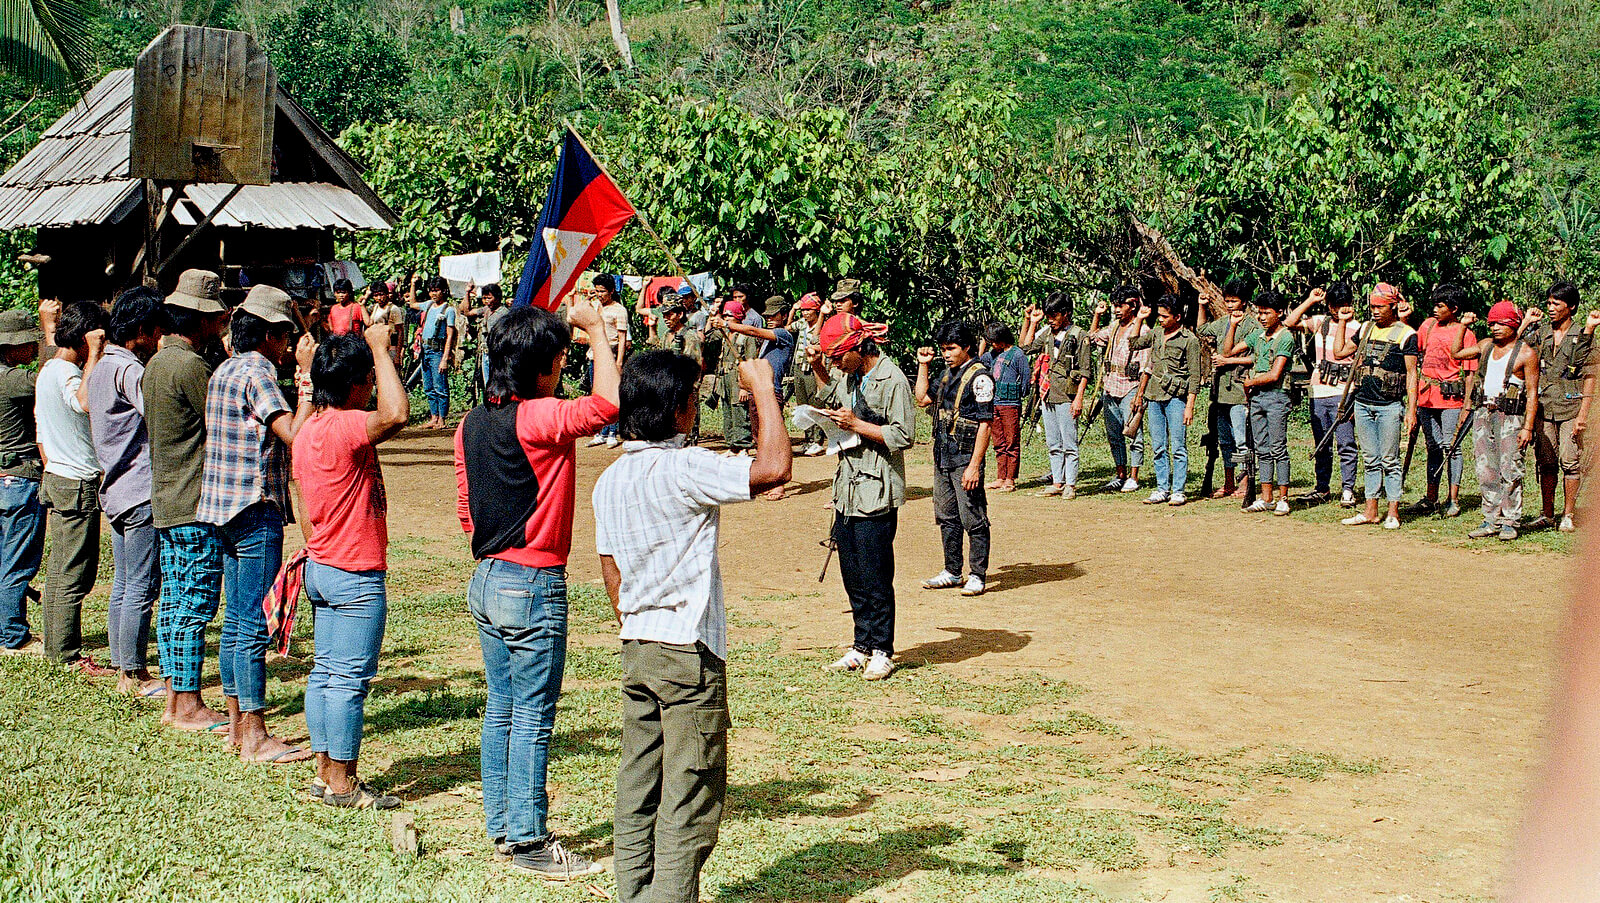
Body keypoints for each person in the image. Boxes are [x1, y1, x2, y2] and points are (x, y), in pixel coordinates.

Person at [594, 351, 791, 903]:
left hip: (639, 644)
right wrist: (764, 387)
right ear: (679, 411)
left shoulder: (609, 479)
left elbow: (611, 571)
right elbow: (773, 467)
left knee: (639, 785)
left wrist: (637, 624)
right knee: (689, 798)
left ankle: (634, 894)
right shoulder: (684, 467)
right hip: (686, 649)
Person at [454, 297, 619, 878]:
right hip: (532, 580)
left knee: (502, 706)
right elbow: (607, 405)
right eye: (559, 361)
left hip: (489, 576)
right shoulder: (541, 417)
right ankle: (528, 841)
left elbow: (465, 507)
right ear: (544, 368)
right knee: (532, 715)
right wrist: (598, 332)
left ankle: (502, 826)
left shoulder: (470, 422)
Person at [293, 324, 409, 808]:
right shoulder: (344, 425)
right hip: (354, 572)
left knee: (325, 673)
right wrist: (382, 349)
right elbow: (398, 413)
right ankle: (342, 783)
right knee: (347, 680)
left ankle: (326, 772)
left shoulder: (308, 430)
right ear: (359, 383)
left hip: (322, 564)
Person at [198, 284, 315, 763]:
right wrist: (307, 381)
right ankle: (256, 735)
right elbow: (295, 436)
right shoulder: (261, 374)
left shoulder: (224, 369)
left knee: (234, 620)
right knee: (252, 622)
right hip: (253, 507)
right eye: (286, 337)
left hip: (219, 507)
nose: (288, 347)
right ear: (270, 335)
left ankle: (236, 726)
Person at [807, 313, 915, 681]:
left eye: (838, 358)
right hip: (848, 488)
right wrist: (821, 374)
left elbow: (903, 435)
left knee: (875, 574)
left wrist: (857, 425)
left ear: (857, 348)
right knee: (851, 571)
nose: (836, 364)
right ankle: (861, 645)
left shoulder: (892, 379)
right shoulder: (851, 377)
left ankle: (883, 649)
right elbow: (831, 397)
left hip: (876, 487)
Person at [146, 269, 231, 732]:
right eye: (217, 319)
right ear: (201, 319)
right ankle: (189, 703)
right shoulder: (193, 368)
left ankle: (178, 697)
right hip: (195, 502)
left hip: (167, 499)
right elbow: (221, 423)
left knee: (176, 601)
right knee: (195, 602)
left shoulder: (157, 365)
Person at [85, 288, 170, 696]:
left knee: (124, 582)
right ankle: (133, 675)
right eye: (155, 333)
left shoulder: (101, 368)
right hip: (139, 488)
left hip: (116, 488)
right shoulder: (130, 371)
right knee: (141, 583)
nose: (158, 341)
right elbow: (159, 414)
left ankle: (122, 664)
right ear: (140, 331)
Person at [35, 299, 112, 674]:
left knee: (59, 569)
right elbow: (84, 402)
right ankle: (65, 654)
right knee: (73, 572)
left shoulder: (48, 368)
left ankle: (55, 646)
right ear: (85, 338)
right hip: (76, 481)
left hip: (58, 476)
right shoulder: (67, 374)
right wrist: (96, 353)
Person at [914, 322, 994, 596]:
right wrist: (923, 365)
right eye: (943, 349)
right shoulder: (947, 374)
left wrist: (974, 466)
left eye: (951, 349)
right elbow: (922, 398)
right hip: (943, 455)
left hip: (965, 456)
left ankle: (977, 574)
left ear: (967, 347)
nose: (946, 354)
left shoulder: (980, 378)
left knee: (972, 515)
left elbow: (986, 424)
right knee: (946, 515)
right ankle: (952, 570)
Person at [1341, 283, 1419, 530]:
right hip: (1363, 404)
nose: (1375, 311)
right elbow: (1342, 351)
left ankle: (1393, 512)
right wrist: (1343, 322)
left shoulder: (1407, 334)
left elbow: (1411, 374)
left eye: (1380, 307)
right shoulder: (1365, 329)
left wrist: (1411, 410)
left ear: (1393, 306)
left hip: (1389, 406)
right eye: (1372, 306)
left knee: (1390, 460)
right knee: (1370, 458)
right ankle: (1370, 511)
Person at [1524, 282, 1597, 532]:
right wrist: (1525, 322)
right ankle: (1547, 513)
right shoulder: (1541, 333)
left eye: (1556, 303)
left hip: (1571, 408)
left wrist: (1583, 416)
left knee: (1570, 461)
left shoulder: (1583, 335)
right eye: (1549, 303)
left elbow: (1590, 375)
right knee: (1546, 461)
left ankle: (1568, 514)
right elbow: (1518, 350)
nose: (1551, 308)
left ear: (1571, 306)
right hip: (1545, 407)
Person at [1464, 301, 1540, 541]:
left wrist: (1527, 427)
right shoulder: (1486, 347)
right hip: (1485, 413)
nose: (1495, 327)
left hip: (1511, 417)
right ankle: (1490, 518)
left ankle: (1510, 520)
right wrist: (1463, 328)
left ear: (1513, 325)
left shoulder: (1526, 353)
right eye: (1492, 323)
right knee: (1486, 469)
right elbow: (1456, 353)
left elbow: (1533, 393)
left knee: (1511, 468)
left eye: (1501, 323)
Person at [1286, 282, 1362, 507]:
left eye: (1344, 305)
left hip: (1343, 391)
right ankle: (1322, 488)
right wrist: (1311, 301)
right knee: (1322, 443)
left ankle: (1348, 488)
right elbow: (1289, 322)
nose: (1339, 310)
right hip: (1319, 390)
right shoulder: (1321, 323)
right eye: (1335, 306)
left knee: (1346, 442)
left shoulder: (1360, 328)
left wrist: (1346, 322)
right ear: (1329, 306)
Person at [0, 306, 48, 656]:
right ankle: (12, 635)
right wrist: (49, 332)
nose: (31, 349)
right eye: (27, 343)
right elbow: (50, 379)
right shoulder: (15, 379)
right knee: (17, 564)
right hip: (21, 478)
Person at [1408, 283, 1476, 518]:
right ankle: (1431, 497)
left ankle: (1453, 499)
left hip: (1452, 401)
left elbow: (1470, 374)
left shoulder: (1466, 334)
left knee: (1452, 448)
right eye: (1435, 305)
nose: (1436, 310)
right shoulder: (1427, 326)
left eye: (1441, 306)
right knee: (1433, 448)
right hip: (1427, 398)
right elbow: (1411, 350)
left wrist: (1467, 405)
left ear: (1454, 309)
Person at [1229, 290, 1296, 514]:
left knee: (1278, 448)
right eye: (1260, 313)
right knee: (1261, 449)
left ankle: (1283, 498)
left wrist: (1250, 382)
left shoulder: (1285, 337)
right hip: (1257, 397)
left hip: (1276, 396)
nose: (1262, 317)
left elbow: (1275, 374)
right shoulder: (1257, 336)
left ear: (1279, 313)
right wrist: (1232, 326)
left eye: (1267, 313)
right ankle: (1266, 497)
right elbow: (1228, 351)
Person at [1130, 294, 1201, 506]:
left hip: (1176, 398)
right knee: (1158, 446)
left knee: (1178, 446)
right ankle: (1162, 488)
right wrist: (1139, 319)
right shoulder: (1156, 333)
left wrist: (1190, 406)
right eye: (1159, 316)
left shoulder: (1190, 340)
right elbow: (1134, 343)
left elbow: (1194, 376)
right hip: (1154, 397)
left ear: (1177, 317)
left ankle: (1178, 490)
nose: (1160, 320)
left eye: (1164, 316)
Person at [1020, 293, 1091, 499]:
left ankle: (1071, 484)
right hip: (1048, 393)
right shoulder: (1048, 334)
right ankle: (1057, 481)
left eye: (1054, 315)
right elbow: (1026, 346)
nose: (1050, 319)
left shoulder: (1079, 335)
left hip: (1067, 395)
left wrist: (1079, 399)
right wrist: (1031, 322)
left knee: (1069, 442)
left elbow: (1085, 371)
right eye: (1048, 315)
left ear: (1066, 314)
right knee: (1053, 442)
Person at [1198, 279, 1259, 499]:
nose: (1230, 305)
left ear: (1244, 302)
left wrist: (1228, 362)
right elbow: (1202, 328)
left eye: (1234, 301)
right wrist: (1202, 306)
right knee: (1225, 441)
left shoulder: (1253, 325)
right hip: (1220, 391)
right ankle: (1228, 482)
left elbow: (1257, 357)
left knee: (1242, 441)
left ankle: (1245, 484)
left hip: (1239, 390)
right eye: (1227, 301)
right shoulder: (1223, 321)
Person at [1088, 286, 1150, 492]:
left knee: (1133, 432)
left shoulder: (1143, 330)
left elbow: (1146, 366)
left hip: (1130, 385)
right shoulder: (1114, 327)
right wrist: (1097, 315)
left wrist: (1140, 394)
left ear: (1132, 305)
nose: (1117, 309)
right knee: (1114, 433)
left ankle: (1134, 475)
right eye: (1115, 305)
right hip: (1110, 384)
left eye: (1120, 305)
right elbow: (1093, 337)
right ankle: (1120, 473)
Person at [581, 275, 630, 449]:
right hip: (595, 355)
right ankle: (599, 432)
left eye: (603, 291)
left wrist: (619, 361)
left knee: (613, 394)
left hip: (611, 353)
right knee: (597, 394)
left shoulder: (619, 310)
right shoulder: (594, 306)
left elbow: (622, 337)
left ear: (611, 291)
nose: (600, 295)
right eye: (597, 291)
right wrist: (587, 299)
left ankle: (611, 432)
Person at [983, 323, 1029, 492]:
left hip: (1010, 404)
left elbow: (1025, 379)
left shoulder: (1017, 354)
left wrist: (1018, 399)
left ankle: (1010, 479)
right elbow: (979, 359)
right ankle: (1000, 477)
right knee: (998, 442)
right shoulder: (992, 354)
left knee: (1011, 442)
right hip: (994, 402)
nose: (993, 345)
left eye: (995, 341)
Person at [709, 298, 757, 455]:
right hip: (725, 379)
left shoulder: (746, 336)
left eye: (730, 316)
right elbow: (708, 337)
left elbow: (750, 362)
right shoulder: (724, 333)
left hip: (738, 379)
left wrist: (744, 387)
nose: (726, 319)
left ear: (738, 317)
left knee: (740, 413)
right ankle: (732, 445)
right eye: (725, 316)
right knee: (728, 413)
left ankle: (743, 446)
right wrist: (713, 315)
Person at [411, 275, 457, 430]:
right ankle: (433, 417)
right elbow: (412, 304)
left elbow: (450, 335)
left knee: (440, 386)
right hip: (425, 350)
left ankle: (442, 419)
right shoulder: (429, 305)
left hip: (438, 351)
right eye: (431, 291)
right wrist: (413, 285)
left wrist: (445, 358)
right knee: (428, 386)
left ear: (444, 291)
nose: (433, 294)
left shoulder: (448, 310)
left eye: (436, 290)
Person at [788, 294, 828, 455]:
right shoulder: (802, 324)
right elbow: (788, 327)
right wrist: (793, 310)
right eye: (803, 310)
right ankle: (808, 439)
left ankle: (817, 440)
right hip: (799, 367)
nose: (805, 313)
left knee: (815, 404)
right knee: (802, 405)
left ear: (816, 310)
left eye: (808, 310)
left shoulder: (823, 326)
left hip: (813, 370)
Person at [460, 282, 509, 385]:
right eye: (484, 298)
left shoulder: (504, 313)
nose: (486, 301)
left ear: (498, 298)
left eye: (489, 298)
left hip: (497, 354)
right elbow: (467, 312)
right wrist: (467, 293)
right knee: (487, 382)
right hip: (486, 353)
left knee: (498, 382)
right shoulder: (486, 310)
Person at [364, 281, 406, 367]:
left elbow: (400, 332)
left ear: (386, 294)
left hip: (391, 348)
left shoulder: (393, 309)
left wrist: (398, 355)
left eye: (381, 294)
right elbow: (369, 323)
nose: (379, 298)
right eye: (376, 295)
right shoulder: (375, 307)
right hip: (378, 348)